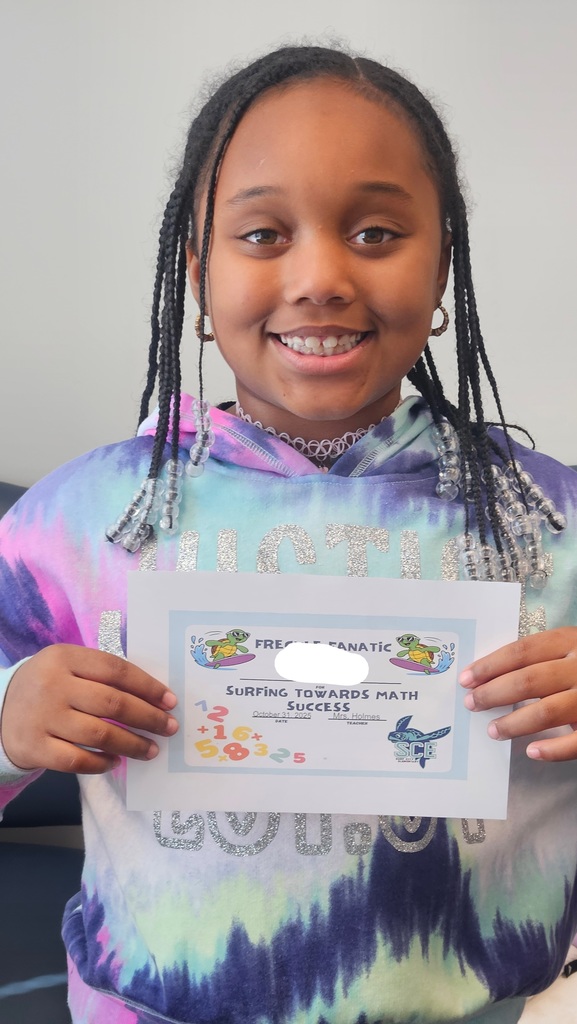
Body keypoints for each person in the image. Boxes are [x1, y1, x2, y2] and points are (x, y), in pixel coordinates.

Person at [1, 44, 576, 1024]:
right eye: (264, 234)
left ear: (441, 262)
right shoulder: (82, 519)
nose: (319, 276)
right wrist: (15, 715)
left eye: (377, 231)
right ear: (197, 270)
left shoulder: (548, 525)